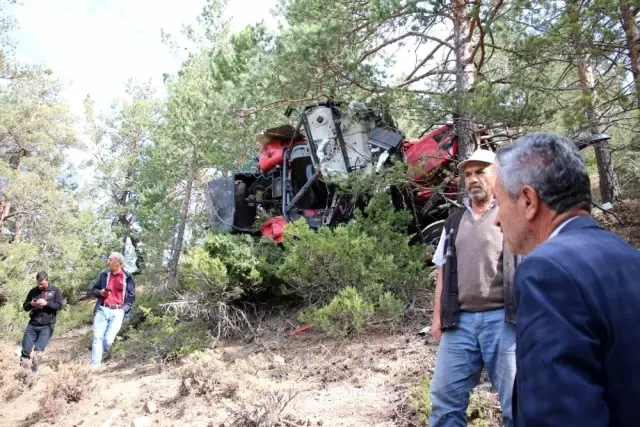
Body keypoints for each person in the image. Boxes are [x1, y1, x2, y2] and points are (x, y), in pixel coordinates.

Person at [493, 132, 640, 427]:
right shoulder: (629, 257)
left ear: (528, 201)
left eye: (499, 202)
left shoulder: (546, 272)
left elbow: (558, 415)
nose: (496, 219)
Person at [429, 148, 519, 427]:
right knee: (445, 400)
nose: (473, 179)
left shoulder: (512, 214)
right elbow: (443, 269)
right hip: (460, 323)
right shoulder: (454, 221)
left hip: (504, 321)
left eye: (481, 171)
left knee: (518, 403)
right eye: (468, 174)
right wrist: (437, 318)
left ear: (499, 175)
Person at [90, 252, 135, 367]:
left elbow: (131, 297)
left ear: (118, 263)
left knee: (108, 341)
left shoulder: (128, 277)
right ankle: (94, 366)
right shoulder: (104, 275)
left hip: (117, 312)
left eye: (110, 260)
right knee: (97, 337)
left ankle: (106, 355)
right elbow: (94, 290)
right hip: (102, 310)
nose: (108, 262)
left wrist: (124, 309)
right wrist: (100, 292)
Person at [20, 271, 64, 376]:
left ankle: (33, 374)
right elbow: (25, 307)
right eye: (38, 283)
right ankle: (22, 374)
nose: (40, 286)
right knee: (25, 351)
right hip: (32, 324)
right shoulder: (33, 291)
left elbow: (59, 306)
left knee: (38, 351)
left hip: (47, 326)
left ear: (47, 281)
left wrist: (47, 303)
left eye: (42, 284)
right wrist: (31, 304)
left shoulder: (55, 291)